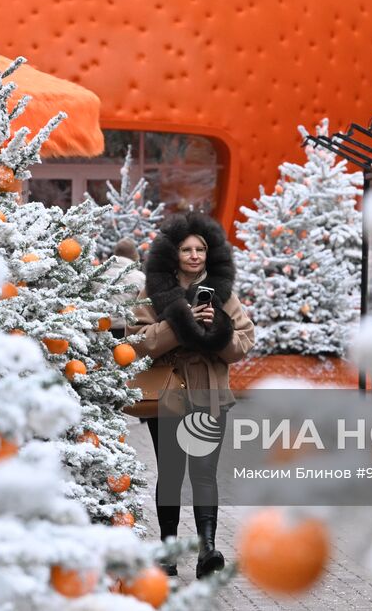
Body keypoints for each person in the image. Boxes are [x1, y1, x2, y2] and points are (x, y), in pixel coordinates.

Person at [127, 212, 255, 578]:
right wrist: (180, 322)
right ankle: (168, 552)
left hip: (208, 397)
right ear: (174, 253)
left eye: (200, 249)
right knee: (170, 474)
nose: (195, 255)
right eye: (187, 249)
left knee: (203, 474)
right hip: (168, 395)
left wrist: (217, 328)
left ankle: (207, 551)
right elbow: (139, 341)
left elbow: (242, 343)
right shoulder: (152, 294)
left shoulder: (223, 295)